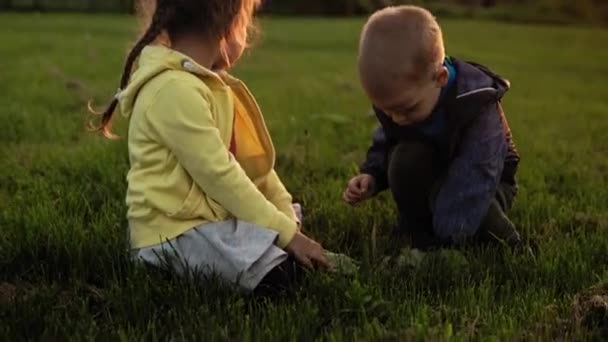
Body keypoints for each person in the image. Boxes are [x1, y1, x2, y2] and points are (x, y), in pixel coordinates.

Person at [91, 0, 332, 292]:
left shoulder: (208, 85)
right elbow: (220, 175)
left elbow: (255, 171)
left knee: (284, 236)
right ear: (227, 27)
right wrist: (286, 236)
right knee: (280, 278)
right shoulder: (173, 90)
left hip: (210, 222)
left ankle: (269, 247)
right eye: (247, 23)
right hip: (173, 236)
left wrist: (289, 228)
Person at [343, 6, 522, 250]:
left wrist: (449, 235)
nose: (396, 119)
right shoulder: (403, 102)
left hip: (489, 180)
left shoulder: (476, 105)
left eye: (406, 109)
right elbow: (388, 139)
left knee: (483, 214)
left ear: (440, 79)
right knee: (404, 158)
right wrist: (372, 174)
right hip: (437, 172)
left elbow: (480, 169)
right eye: (386, 110)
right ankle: (415, 230)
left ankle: (511, 245)